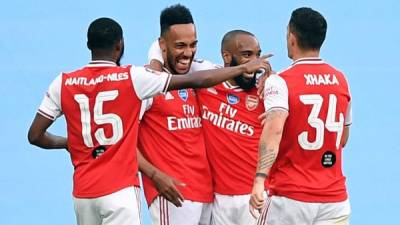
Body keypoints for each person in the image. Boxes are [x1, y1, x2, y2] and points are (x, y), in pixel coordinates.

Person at [26, 17, 270, 225]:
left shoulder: (63, 81)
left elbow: (35, 136)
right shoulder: (133, 79)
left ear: (88, 45)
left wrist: (70, 142)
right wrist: (155, 174)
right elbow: (194, 79)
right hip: (124, 191)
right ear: (120, 46)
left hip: (84, 191)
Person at [148, 28, 272, 224]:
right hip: (219, 201)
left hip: (256, 196)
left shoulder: (268, 90)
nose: (255, 62)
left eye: (258, 55)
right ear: (226, 56)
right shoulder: (206, 77)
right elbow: (162, 45)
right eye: (247, 55)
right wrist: (154, 66)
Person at [249, 7, 352, 225]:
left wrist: (260, 179)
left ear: (292, 37)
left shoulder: (281, 81)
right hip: (335, 200)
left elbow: (274, 130)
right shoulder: (341, 80)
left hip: (290, 198)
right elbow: (342, 139)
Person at [137, 4, 214, 225]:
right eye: (180, 45)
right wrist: (154, 175)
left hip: (206, 191)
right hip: (172, 193)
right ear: (162, 45)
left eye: (193, 45)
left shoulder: (197, 77)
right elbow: (120, 139)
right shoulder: (146, 83)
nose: (188, 53)